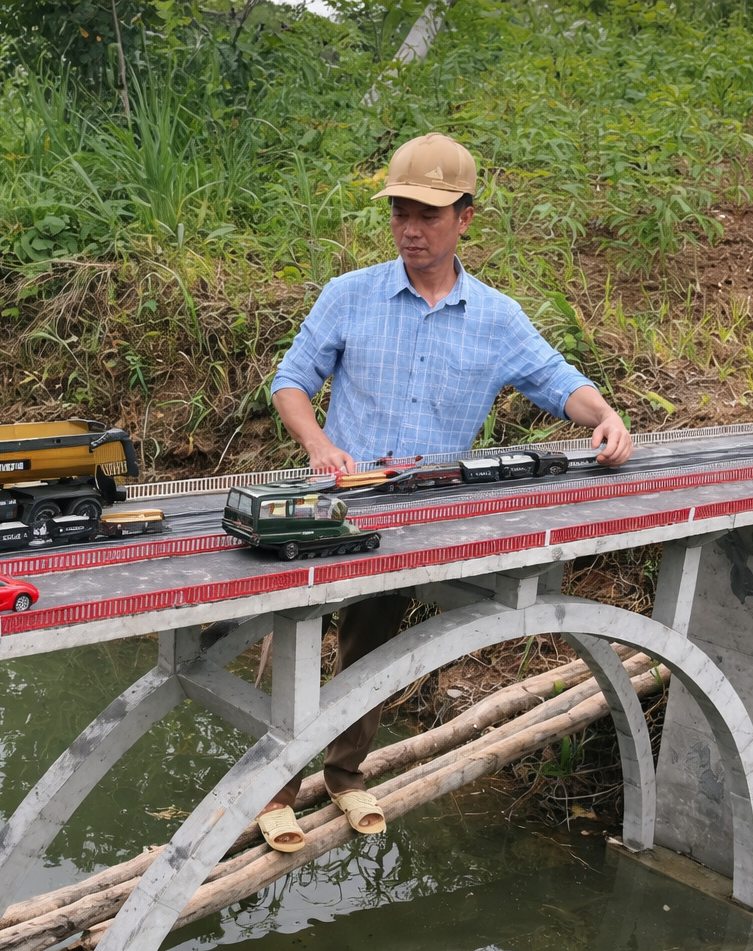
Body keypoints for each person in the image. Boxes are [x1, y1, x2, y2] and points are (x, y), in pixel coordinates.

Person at [254, 132, 633, 853]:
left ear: (465, 217)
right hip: (337, 502)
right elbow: (291, 381)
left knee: (371, 645)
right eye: (400, 212)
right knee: (295, 635)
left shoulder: (496, 318)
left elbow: (558, 382)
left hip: (421, 513)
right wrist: (318, 445)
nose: (410, 229)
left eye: (427, 215)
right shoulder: (349, 296)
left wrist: (606, 416)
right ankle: (273, 790)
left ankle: (344, 773)